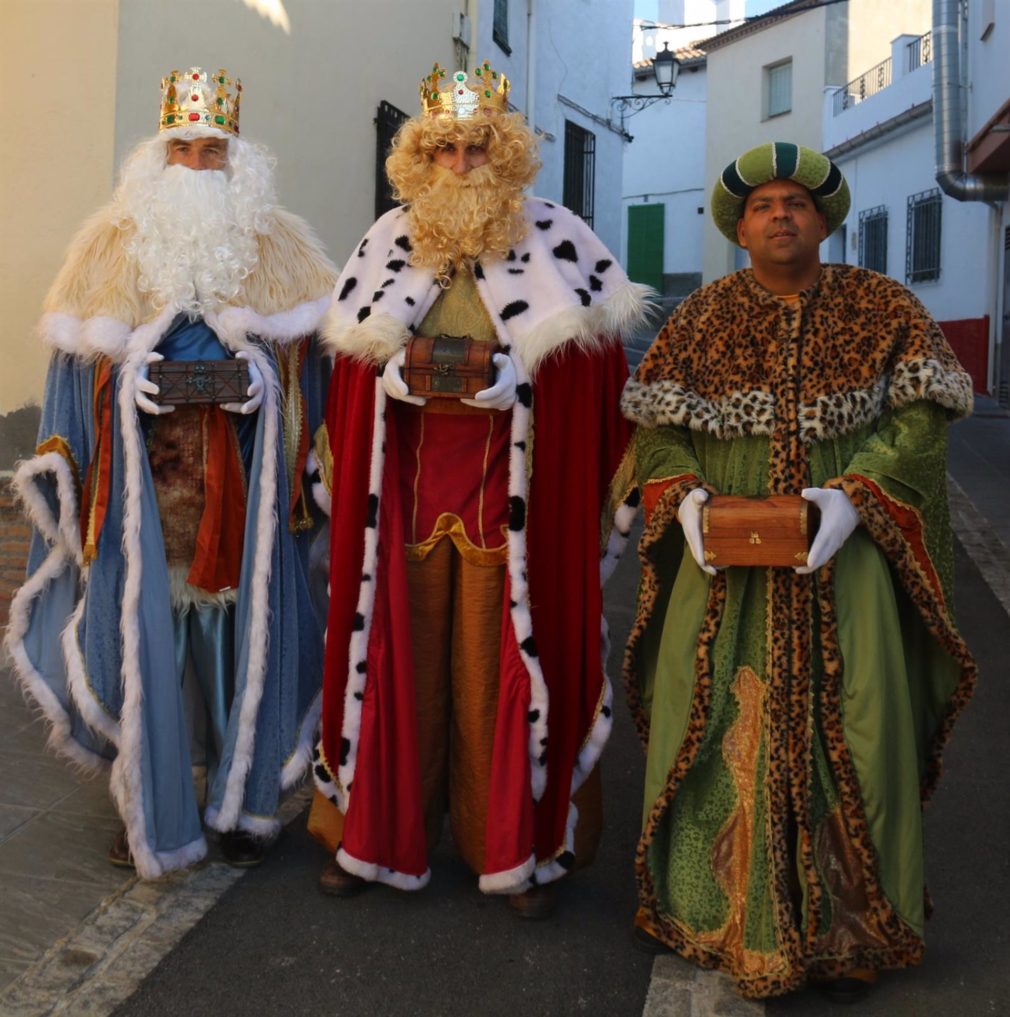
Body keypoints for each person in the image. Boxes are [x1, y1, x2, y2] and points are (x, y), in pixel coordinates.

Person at [616, 142, 977, 998]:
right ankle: (718, 913)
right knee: (718, 732)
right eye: (764, 204)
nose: (781, 213)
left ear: (824, 220)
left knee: (855, 730)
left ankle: (848, 930)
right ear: (738, 226)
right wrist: (689, 499)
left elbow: (925, 416)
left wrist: (858, 494)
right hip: (726, 570)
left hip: (844, 563)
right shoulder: (699, 319)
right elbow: (657, 432)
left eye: (797, 203)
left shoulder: (883, 307)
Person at [307, 60, 650, 916]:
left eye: (477, 147)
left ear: (507, 153)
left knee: (503, 669)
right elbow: (347, 375)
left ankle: (517, 846)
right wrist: (382, 378)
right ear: (422, 158)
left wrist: (527, 388)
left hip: (516, 499)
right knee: (391, 663)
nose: (462, 164)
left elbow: (599, 376)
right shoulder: (387, 239)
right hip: (406, 495)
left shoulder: (555, 235)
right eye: (446, 148)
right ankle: (375, 835)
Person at [4, 67, 336, 878]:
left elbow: (318, 372)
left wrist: (269, 382)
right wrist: (122, 385)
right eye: (181, 148)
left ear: (236, 159)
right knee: (143, 646)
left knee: (242, 643)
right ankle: (149, 803)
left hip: (245, 488)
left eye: (211, 151)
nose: (195, 165)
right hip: (140, 495)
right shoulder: (111, 244)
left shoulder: (279, 244)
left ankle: (244, 801)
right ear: (158, 154)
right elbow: (69, 373)